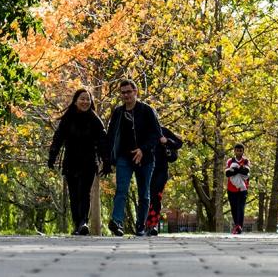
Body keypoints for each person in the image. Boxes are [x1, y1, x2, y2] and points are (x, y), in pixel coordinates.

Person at [104, 79, 162, 237]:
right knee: (121, 190)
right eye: (123, 92)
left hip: (145, 158)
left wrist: (143, 149)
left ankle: (141, 226)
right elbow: (111, 136)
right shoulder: (118, 112)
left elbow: (157, 134)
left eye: (129, 91)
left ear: (135, 92)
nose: (126, 95)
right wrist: (108, 160)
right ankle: (117, 222)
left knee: (144, 194)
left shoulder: (147, 110)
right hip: (125, 157)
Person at [48, 89, 108, 236]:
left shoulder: (95, 120)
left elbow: (102, 141)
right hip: (71, 161)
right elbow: (58, 138)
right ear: (75, 101)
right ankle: (77, 224)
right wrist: (52, 156)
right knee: (74, 194)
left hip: (88, 162)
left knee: (84, 192)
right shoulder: (68, 118)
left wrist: (106, 161)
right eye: (82, 99)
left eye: (88, 99)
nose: (85, 102)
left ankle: (83, 222)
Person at [146, 126, 183, 236]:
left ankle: (153, 224)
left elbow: (179, 143)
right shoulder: (142, 130)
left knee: (156, 196)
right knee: (146, 197)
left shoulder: (163, 131)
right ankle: (144, 224)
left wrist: (166, 140)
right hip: (146, 169)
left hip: (161, 170)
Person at [225, 143, 251, 234]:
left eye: (240, 150)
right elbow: (228, 174)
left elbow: (246, 172)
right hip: (231, 189)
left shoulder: (246, 161)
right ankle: (236, 225)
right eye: (237, 150)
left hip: (243, 189)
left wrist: (235, 170)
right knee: (234, 208)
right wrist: (239, 169)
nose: (239, 152)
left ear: (243, 151)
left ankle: (239, 226)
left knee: (241, 207)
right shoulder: (230, 161)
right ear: (234, 151)